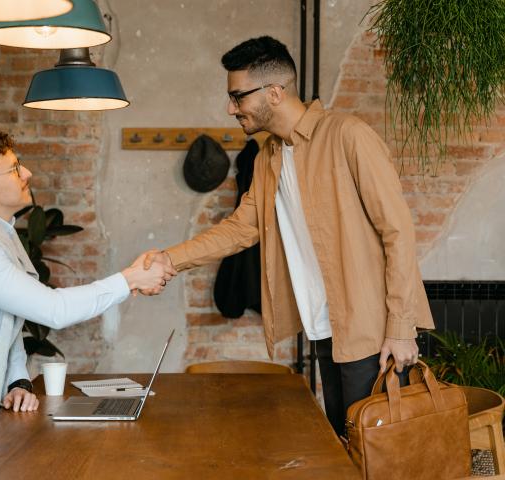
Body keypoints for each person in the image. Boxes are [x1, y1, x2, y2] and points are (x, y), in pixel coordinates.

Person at [143, 36, 434, 437]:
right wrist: (169, 259)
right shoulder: (269, 158)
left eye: (238, 96)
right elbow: (240, 228)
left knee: (380, 455)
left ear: (274, 93)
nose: (231, 108)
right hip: (325, 329)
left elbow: (398, 232)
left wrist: (401, 328)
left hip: (371, 333)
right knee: (345, 446)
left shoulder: (348, 135)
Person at [0, 131, 175, 447]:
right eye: (14, 168)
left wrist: (18, 382)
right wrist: (130, 278)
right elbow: (54, 309)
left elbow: (6, 321)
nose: (27, 174)